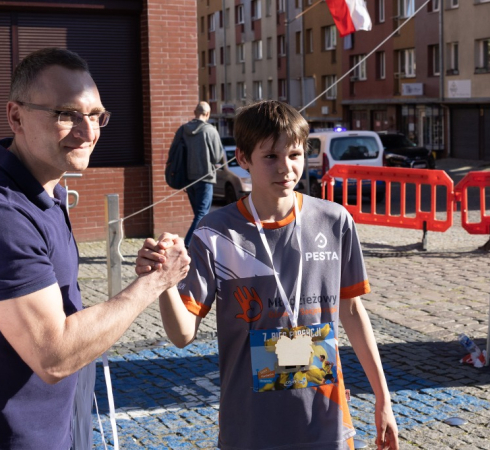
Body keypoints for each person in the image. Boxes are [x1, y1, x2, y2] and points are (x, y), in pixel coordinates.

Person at [0, 48, 190, 450]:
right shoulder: (0, 216)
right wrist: (157, 282)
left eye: (96, 116)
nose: (88, 132)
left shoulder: (47, 189)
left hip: (57, 429)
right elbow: (54, 355)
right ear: (16, 117)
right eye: (66, 114)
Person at [138, 100, 399, 450]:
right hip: (249, 427)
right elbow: (183, 334)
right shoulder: (215, 232)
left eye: (294, 154)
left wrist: (384, 398)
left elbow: (351, 312)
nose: (286, 169)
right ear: (243, 159)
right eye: (270, 157)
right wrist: (163, 281)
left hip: (325, 420)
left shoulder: (335, 221)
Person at [173, 101, 223, 247]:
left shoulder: (183, 130)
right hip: (205, 178)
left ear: (195, 113)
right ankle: (187, 246)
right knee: (202, 215)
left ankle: (204, 246)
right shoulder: (210, 130)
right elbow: (217, 156)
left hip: (189, 179)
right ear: (207, 114)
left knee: (200, 216)